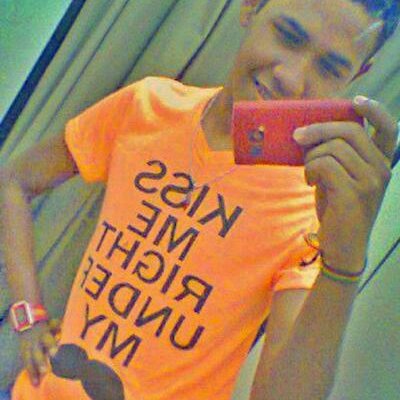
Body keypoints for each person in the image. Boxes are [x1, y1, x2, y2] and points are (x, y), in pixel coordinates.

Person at [0, 0, 399, 399]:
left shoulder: (315, 207)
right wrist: (28, 317)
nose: (291, 80)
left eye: (329, 68)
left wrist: (344, 264)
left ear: (357, 76)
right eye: (288, 36)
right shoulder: (148, 105)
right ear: (251, 6)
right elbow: (14, 180)